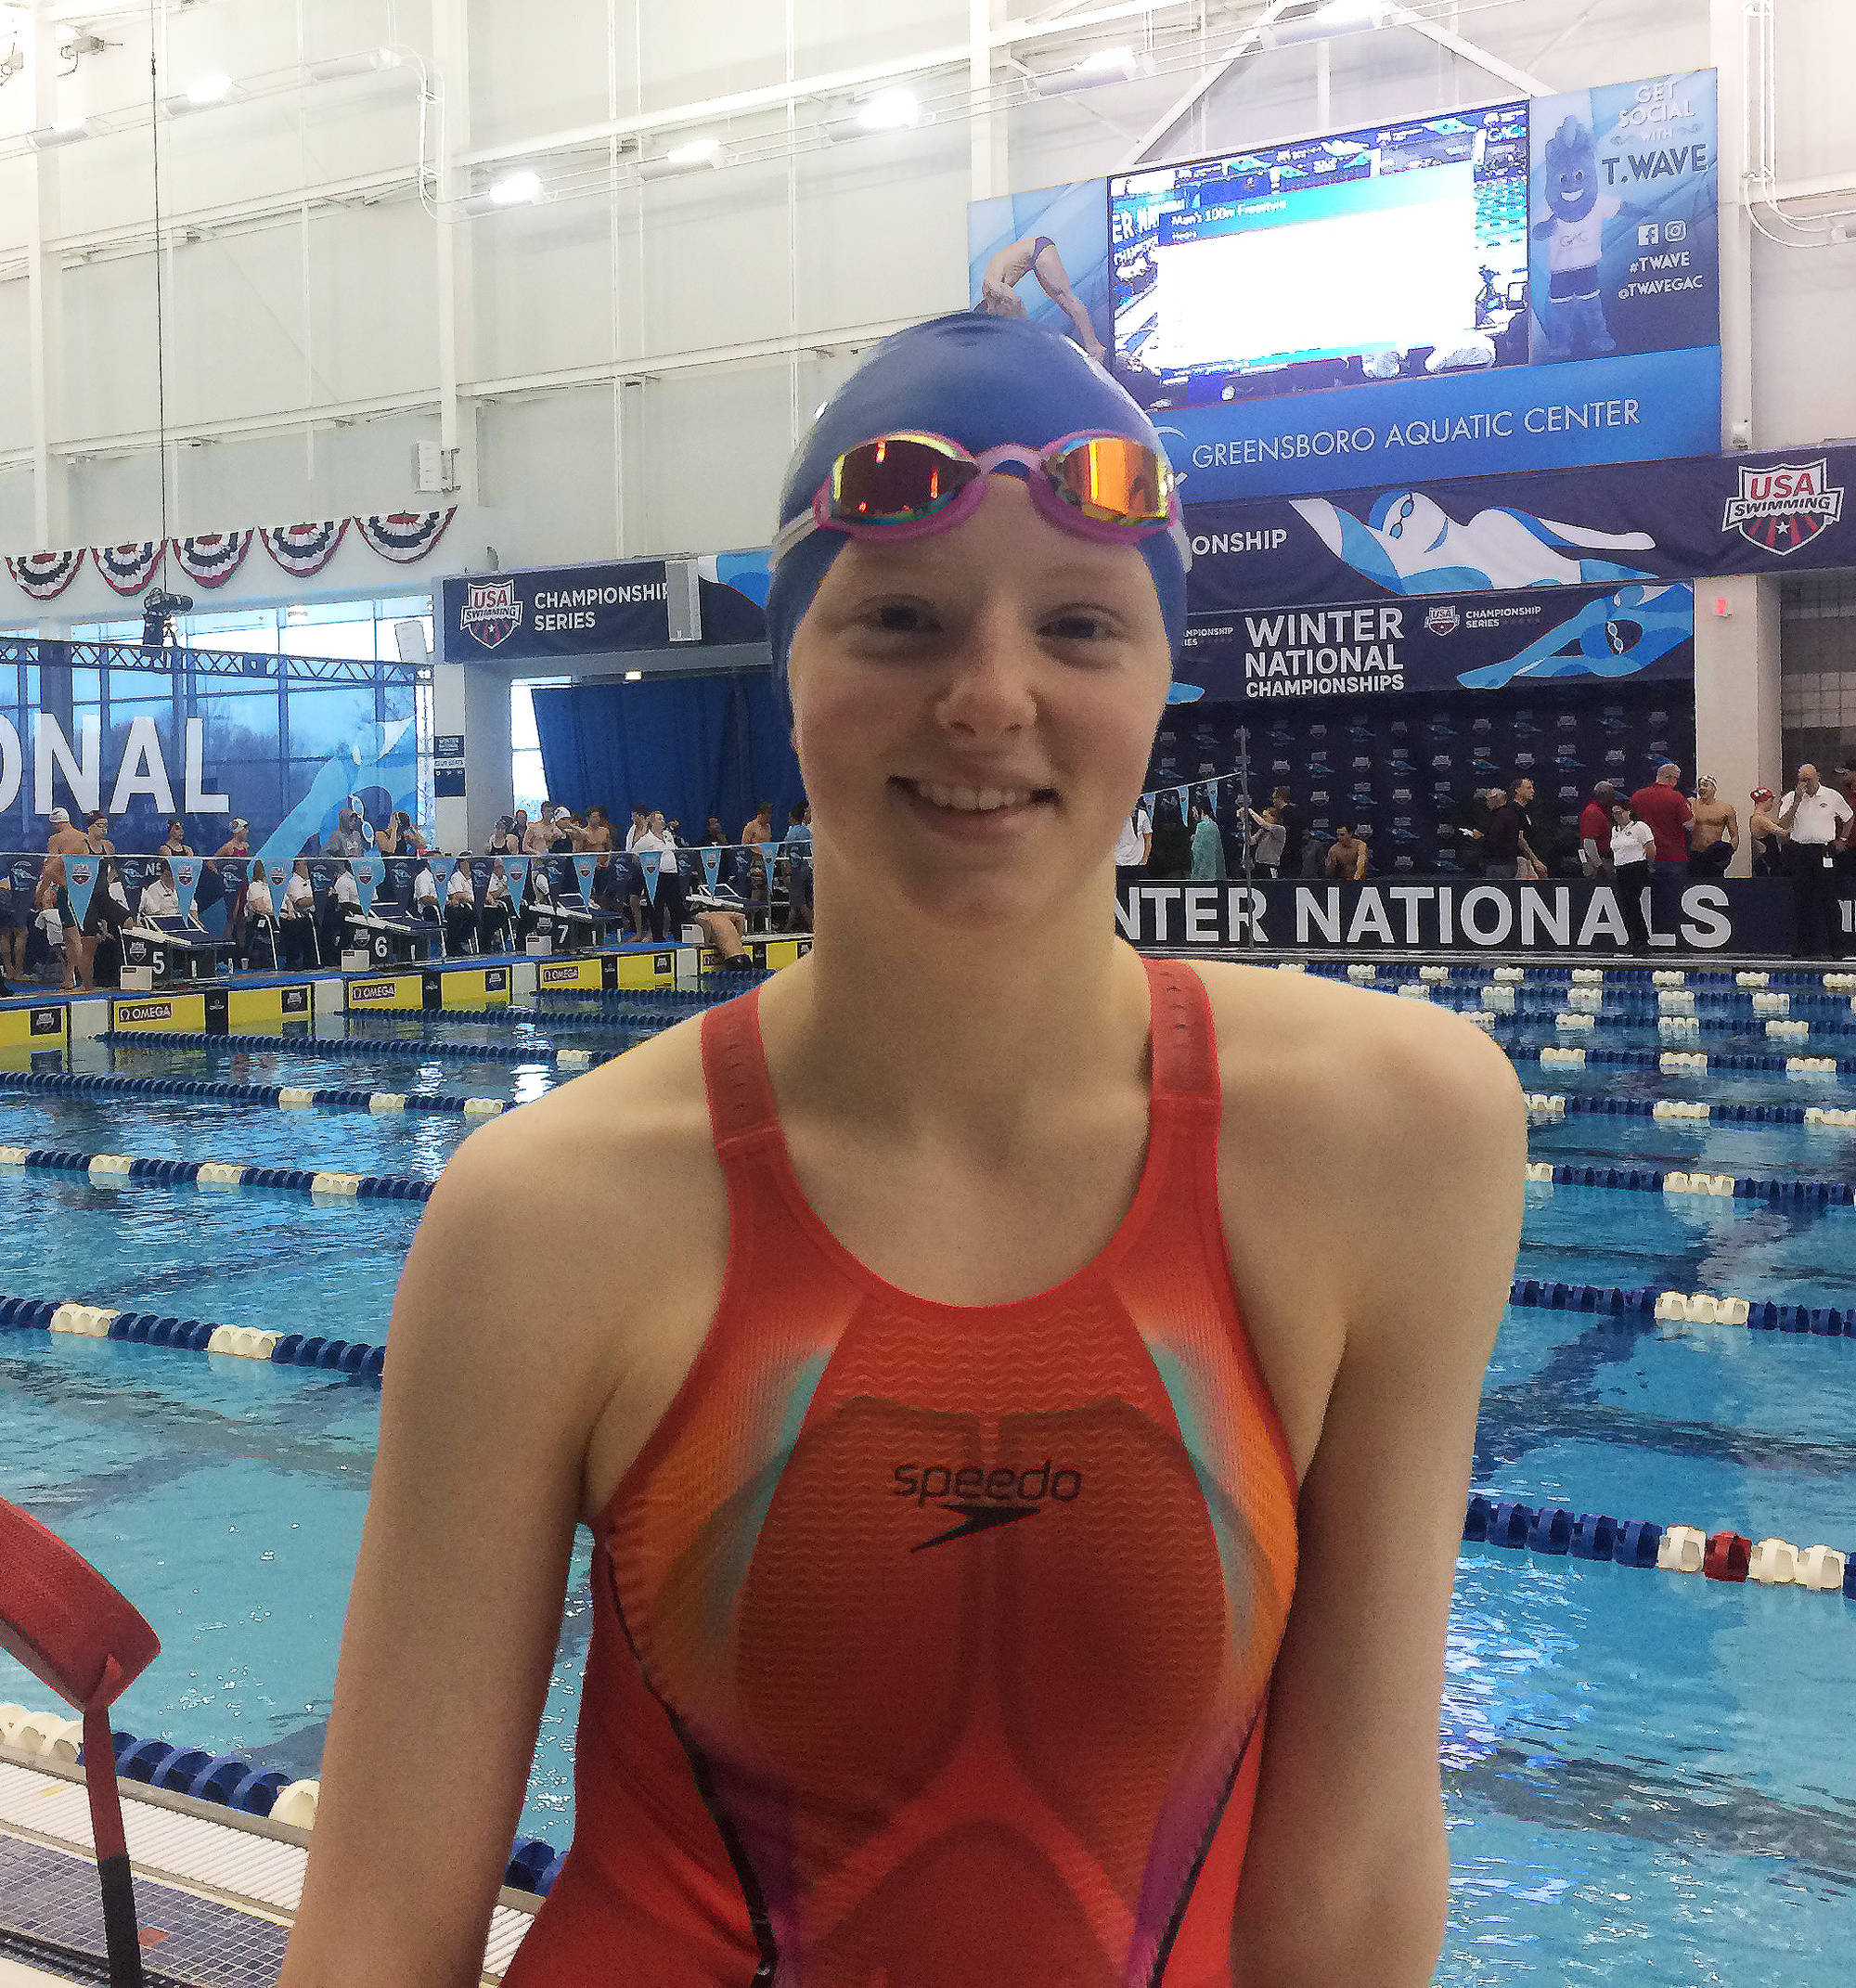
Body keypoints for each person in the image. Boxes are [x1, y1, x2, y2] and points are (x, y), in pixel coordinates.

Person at [280, 313, 1523, 1988]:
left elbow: (1355, 1874)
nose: (990, 696)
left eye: (1080, 625)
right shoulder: (550, 1212)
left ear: (1165, 677)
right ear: (790, 667)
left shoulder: (1396, 1133)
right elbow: (376, 1933)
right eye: (903, 622)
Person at [975, 234, 1107, 363]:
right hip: (1036, 253)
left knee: (1066, 298)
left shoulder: (991, 286)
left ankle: (1094, 348)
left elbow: (1016, 302)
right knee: (1064, 300)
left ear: (988, 310)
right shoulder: (993, 292)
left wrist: (1024, 331)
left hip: (1039, 250)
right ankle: (1094, 346)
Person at [1777, 763, 1853, 958]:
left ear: (1818, 777)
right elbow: (1783, 825)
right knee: (1802, 899)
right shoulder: (1791, 798)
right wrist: (1796, 801)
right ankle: (1804, 946)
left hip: (1823, 851)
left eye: (1808, 779)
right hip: (1800, 850)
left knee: (1828, 898)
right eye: (1802, 780)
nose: (1805, 784)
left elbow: (1849, 817)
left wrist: (1842, 839)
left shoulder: (1831, 796)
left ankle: (1837, 947)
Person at [1609, 796, 1657, 951]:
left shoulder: (1639, 827)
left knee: (1632, 903)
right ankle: (1633, 938)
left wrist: (1648, 865)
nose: (1618, 816)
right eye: (1615, 813)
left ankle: (1641, 939)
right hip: (1621, 869)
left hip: (1636, 868)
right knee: (1626, 905)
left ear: (1628, 812)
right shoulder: (1614, 830)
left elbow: (1650, 847)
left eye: (1620, 813)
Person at [1628, 762, 1692, 867]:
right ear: (1671, 778)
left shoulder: (1637, 796)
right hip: (1671, 857)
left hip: (1642, 856)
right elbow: (1690, 825)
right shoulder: (1676, 797)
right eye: (1676, 779)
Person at [1479, 785, 1543, 880]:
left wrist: (1481, 839)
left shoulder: (1502, 816)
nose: (1487, 802)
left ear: (1496, 799)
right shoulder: (1507, 814)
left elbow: (1498, 839)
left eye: (1489, 799)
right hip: (1509, 864)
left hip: (1499, 865)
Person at [1686, 776, 1737, 877]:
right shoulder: (1692, 804)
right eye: (1700, 786)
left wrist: (1727, 853)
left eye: (1705, 785)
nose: (1702, 788)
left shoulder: (1725, 808)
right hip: (1695, 854)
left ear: (1714, 788)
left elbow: (1734, 836)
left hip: (1714, 857)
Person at [279, 859, 318, 969]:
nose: (306, 866)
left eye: (307, 863)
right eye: (303, 864)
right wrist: (318, 898)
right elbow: (300, 902)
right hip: (299, 914)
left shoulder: (314, 879)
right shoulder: (293, 882)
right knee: (299, 924)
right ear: (296, 866)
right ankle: (294, 961)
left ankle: (314, 960)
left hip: (314, 911)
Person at [782, 803, 813, 932]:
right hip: (808, 868)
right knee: (796, 902)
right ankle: (787, 927)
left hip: (797, 870)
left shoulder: (791, 834)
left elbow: (788, 855)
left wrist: (787, 874)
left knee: (800, 903)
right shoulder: (807, 832)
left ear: (792, 818)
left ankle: (814, 927)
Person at [1113, 793, 1152, 893]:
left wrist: (1145, 859)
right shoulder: (1112, 816)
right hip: (1118, 862)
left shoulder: (1141, 815)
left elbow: (1148, 839)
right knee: (1119, 892)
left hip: (1136, 862)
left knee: (1138, 892)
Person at [1578, 781, 1617, 876]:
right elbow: (1588, 842)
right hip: (1596, 862)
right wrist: (1599, 865)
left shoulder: (1599, 811)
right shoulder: (1593, 813)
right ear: (1603, 795)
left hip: (1602, 859)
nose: (1613, 798)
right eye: (1612, 795)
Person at [1748, 786, 1786, 877]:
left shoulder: (1757, 818)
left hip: (1766, 860)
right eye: (1770, 801)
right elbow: (1782, 832)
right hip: (1769, 862)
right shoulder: (1760, 820)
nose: (1772, 804)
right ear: (1763, 801)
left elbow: (1777, 824)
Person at [444, 862, 479, 953]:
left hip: (451, 904)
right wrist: (443, 901)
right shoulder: (423, 877)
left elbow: (453, 894)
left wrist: (453, 899)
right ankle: (453, 945)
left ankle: (458, 940)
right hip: (433, 908)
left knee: (474, 915)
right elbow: (425, 898)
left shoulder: (444, 879)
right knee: (456, 915)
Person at [1245, 801, 1285, 879]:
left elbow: (1263, 824)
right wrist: (1246, 828)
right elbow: (1251, 842)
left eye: (1265, 816)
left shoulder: (1280, 829)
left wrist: (1250, 811)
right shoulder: (1262, 831)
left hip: (1270, 865)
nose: (1263, 819)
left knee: (1271, 887)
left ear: (1274, 817)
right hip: (1259, 864)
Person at [1190, 799, 1226, 882]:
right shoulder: (1213, 825)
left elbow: (1198, 852)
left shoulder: (1203, 826)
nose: (1193, 815)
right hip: (1215, 872)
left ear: (1201, 811)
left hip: (1205, 874)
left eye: (1194, 812)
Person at [138, 859, 182, 923]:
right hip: (165, 922)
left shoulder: (182, 887)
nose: (171, 879)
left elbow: (192, 910)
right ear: (161, 875)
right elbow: (154, 913)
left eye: (174, 876)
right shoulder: (154, 889)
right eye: (168, 875)